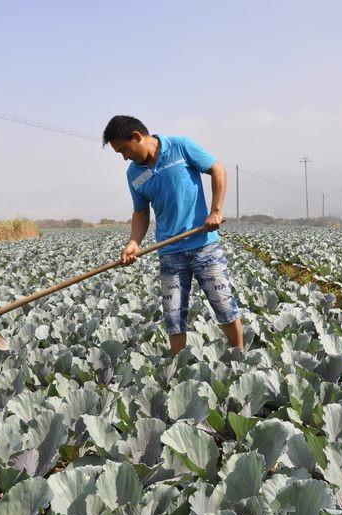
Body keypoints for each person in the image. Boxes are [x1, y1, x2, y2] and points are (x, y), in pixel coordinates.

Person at [102, 115, 243, 355]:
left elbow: (217, 169)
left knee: (223, 305)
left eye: (124, 149)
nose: (125, 157)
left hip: (203, 245)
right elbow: (140, 211)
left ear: (137, 137)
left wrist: (216, 211)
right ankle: (178, 369)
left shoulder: (181, 146)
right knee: (174, 314)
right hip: (170, 252)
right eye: (120, 153)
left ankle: (240, 357)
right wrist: (133, 242)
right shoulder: (134, 174)